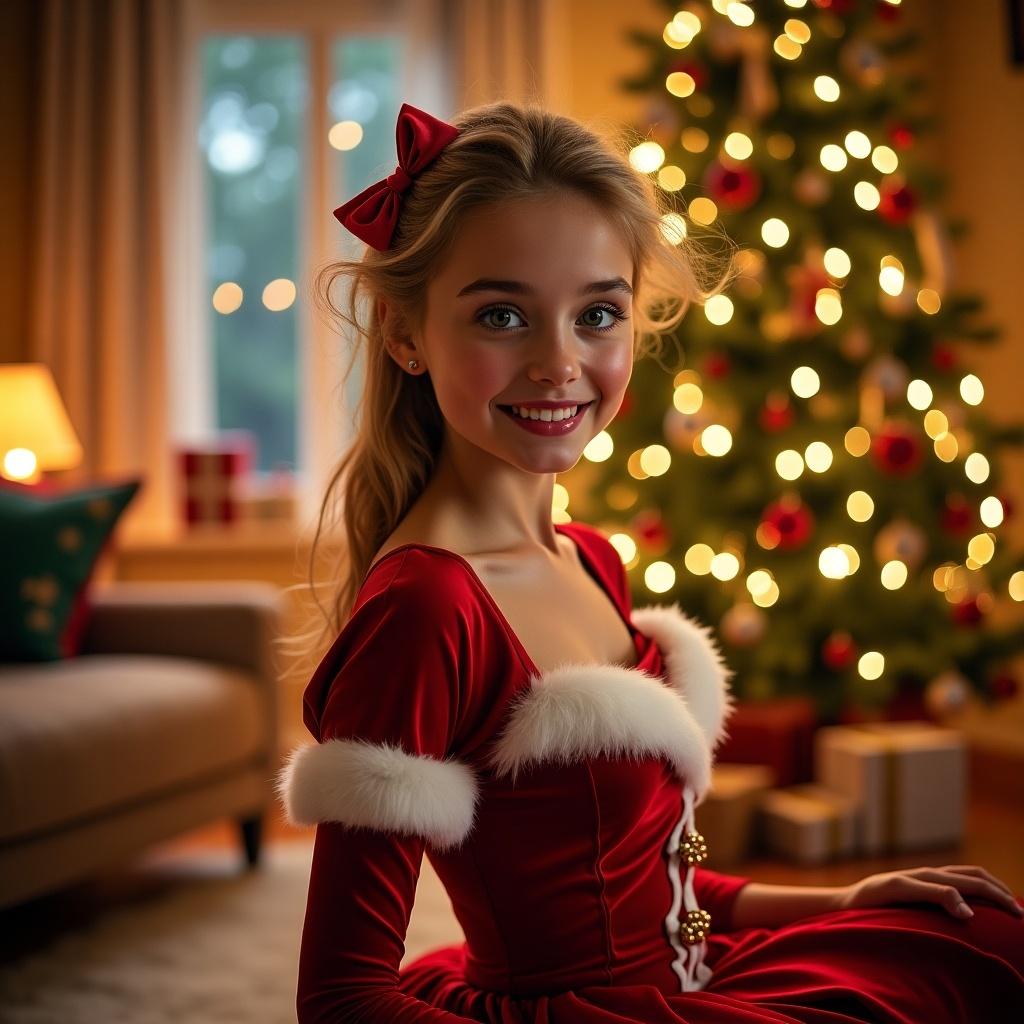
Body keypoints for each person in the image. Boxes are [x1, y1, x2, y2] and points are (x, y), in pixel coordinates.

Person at [275, 101, 1024, 1023]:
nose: (560, 363)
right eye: (503, 314)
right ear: (405, 333)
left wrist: (840, 900)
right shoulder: (428, 610)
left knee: (985, 936)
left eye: (597, 313)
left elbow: (646, 883)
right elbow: (343, 1001)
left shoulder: (589, 557)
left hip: (694, 975)